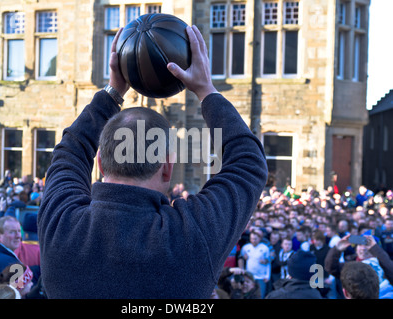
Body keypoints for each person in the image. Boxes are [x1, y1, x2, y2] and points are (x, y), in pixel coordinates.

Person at [37, 26, 268, 298]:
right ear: (168, 167)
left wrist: (111, 93)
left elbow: (70, 151)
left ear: (99, 163)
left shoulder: (60, 224)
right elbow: (250, 164)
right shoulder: (192, 236)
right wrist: (206, 89)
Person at [239, 230, 271, 298]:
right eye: (252, 238)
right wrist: (242, 270)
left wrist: (267, 276)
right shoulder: (246, 247)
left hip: (261, 277)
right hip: (249, 276)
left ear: (259, 239)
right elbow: (240, 258)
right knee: (248, 295)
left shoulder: (265, 248)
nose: (253, 240)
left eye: (255, 239)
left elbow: (268, 263)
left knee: (260, 295)